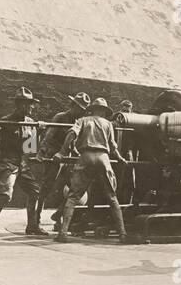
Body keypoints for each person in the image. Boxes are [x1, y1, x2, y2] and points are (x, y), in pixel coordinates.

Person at [54, 97, 127, 243]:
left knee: (73, 196)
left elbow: (71, 134)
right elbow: (113, 145)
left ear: (91, 109)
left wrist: (62, 152)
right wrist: (120, 158)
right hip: (103, 158)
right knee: (112, 197)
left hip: (85, 156)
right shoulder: (108, 124)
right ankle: (122, 233)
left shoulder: (82, 120)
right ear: (104, 111)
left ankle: (63, 233)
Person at [0, 87, 44, 238]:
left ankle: (32, 226)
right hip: (7, 162)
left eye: (32, 104)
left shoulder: (31, 123)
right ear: (20, 105)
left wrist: (37, 132)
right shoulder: (6, 121)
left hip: (22, 163)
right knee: (5, 195)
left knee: (35, 192)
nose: (32, 107)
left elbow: (29, 148)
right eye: (28, 104)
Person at [37, 92, 91, 229]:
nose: (81, 112)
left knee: (76, 189)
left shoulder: (78, 121)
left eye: (83, 110)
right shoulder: (60, 117)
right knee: (46, 188)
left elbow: (73, 143)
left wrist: (78, 154)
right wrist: (42, 153)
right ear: (73, 106)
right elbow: (48, 137)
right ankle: (36, 220)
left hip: (68, 158)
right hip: (54, 156)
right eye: (79, 109)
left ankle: (58, 215)